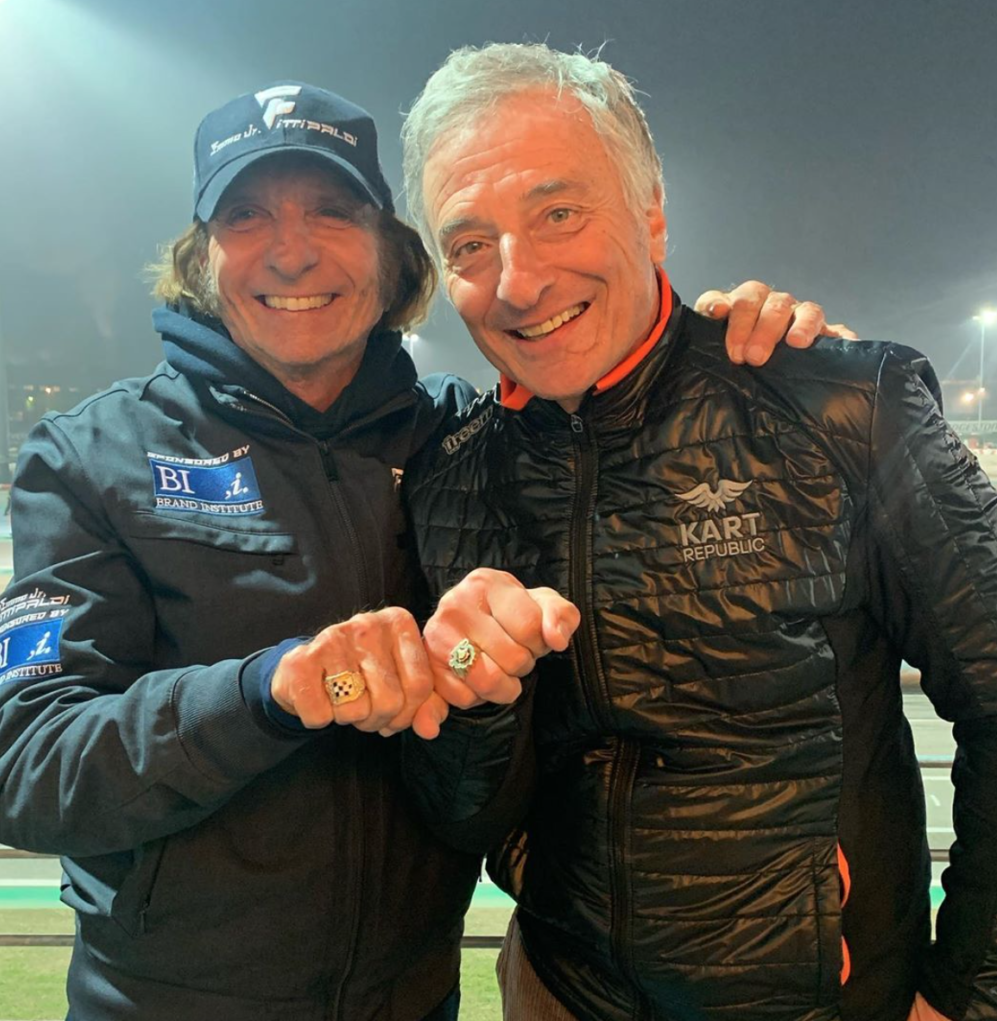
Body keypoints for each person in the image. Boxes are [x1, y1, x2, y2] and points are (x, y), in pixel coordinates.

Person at [0, 80, 827, 1020]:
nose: (291, 249)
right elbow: (27, 774)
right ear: (201, 256)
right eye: (246, 215)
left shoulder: (468, 437)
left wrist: (759, 359)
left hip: (417, 999)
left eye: (332, 210)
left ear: (392, 252)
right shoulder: (91, 456)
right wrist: (266, 692)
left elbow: (626, 416)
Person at [398, 44, 997, 1021]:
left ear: (652, 213)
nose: (518, 280)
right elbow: (459, 811)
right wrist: (471, 699)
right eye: (468, 243)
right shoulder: (452, 473)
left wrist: (969, 993)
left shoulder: (841, 403)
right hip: (559, 989)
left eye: (558, 212)